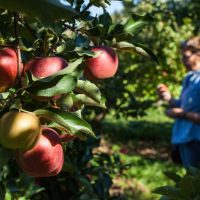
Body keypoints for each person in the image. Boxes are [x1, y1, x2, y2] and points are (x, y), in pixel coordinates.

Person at [157, 36, 200, 168]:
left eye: (186, 56)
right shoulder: (190, 77)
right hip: (184, 137)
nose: (183, 61)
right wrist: (169, 99)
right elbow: (184, 105)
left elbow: (185, 111)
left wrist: (182, 114)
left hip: (196, 138)